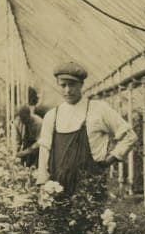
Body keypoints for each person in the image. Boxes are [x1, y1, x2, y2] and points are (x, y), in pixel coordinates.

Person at [36, 61, 137, 198]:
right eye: (63, 85)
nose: (67, 90)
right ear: (57, 85)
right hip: (57, 189)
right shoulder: (51, 116)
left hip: (90, 188)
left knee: (90, 218)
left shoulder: (98, 109)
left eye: (72, 85)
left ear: (81, 84)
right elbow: (44, 151)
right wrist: (43, 184)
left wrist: (111, 158)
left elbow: (130, 136)